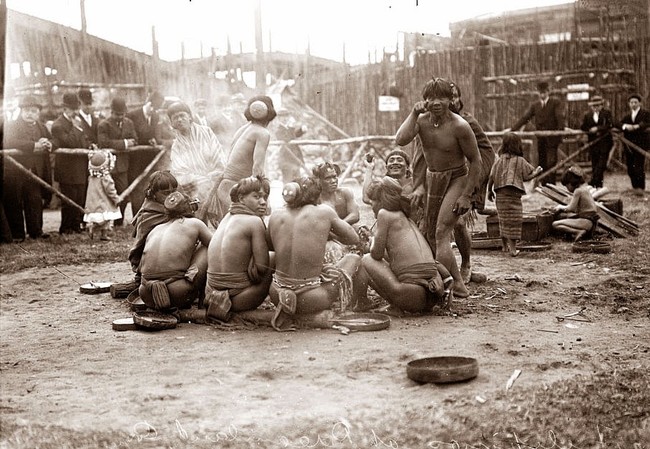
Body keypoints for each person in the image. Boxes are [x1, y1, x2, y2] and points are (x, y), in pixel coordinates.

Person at [395, 78, 481, 299]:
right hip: (433, 178)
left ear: (451, 100)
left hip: (456, 178)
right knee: (432, 235)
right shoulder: (422, 121)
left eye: (442, 97)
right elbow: (400, 139)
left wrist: (466, 195)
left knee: (441, 232)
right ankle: (458, 285)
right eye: (431, 98)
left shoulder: (460, 126)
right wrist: (413, 114)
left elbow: (476, 160)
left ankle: (450, 286)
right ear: (424, 100)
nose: (436, 102)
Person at [267, 176, 361, 331]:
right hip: (310, 298)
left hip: (277, 294)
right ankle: (354, 305)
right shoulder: (325, 212)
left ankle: (288, 311)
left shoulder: (276, 214)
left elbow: (270, 245)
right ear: (316, 194)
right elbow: (353, 238)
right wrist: (328, 233)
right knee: (353, 258)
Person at [352, 177, 453, 313]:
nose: (372, 207)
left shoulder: (384, 214)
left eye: (373, 202)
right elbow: (395, 258)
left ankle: (365, 302)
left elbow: (376, 255)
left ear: (381, 201)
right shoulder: (406, 218)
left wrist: (371, 242)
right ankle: (389, 304)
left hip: (411, 297)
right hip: (431, 297)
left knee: (364, 260)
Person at [204, 175, 273, 322]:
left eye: (265, 198)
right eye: (256, 196)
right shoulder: (254, 221)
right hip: (237, 299)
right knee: (273, 257)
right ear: (241, 199)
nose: (263, 202)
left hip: (210, 295)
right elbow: (262, 267)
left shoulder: (226, 218)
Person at [448, 82, 496, 283]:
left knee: (458, 223)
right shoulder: (433, 123)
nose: (451, 101)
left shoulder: (467, 121)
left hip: (469, 174)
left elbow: (487, 152)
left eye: (455, 96)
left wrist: (475, 182)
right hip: (446, 175)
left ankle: (466, 263)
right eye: (447, 96)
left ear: (460, 99)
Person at [138, 191, 213, 311]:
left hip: (146, 293)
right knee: (208, 247)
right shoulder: (195, 223)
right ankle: (203, 302)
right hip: (177, 293)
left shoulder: (156, 229)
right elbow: (216, 246)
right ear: (190, 207)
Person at [212, 96, 277, 223]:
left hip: (227, 187)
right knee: (253, 225)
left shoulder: (243, 128)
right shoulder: (262, 133)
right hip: (237, 190)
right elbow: (257, 169)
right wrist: (265, 199)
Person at [3, 95, 54, 241]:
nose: (29, 113)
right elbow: (9, 141)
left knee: (35, 200)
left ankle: (36, 231)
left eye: (33, 111)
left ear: (38, 113)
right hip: (15, 171)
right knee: (14, 202)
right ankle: (17, 234)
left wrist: (48, 143)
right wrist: (33, 146)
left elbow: (53, 139)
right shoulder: (12, 125)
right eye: (26, 110)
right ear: (21, 111)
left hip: (35, 171)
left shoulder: (42, 127)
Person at [486, 133, 543, 256]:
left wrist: (489, 191)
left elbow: (491, 176)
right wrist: (536, 173)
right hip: (513, 196)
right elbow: (527, 177)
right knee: (514, 221)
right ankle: (513, 249)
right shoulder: (520, 161)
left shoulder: (499, 160)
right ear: (518, 145)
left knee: (503, 220)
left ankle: (504, 246)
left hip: (500, 195)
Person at [168, 101, 226, 208]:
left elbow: (218, 157)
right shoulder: (176, 146)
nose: (179, 120)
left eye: (182, 115)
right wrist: (203, 180)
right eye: (175, 118)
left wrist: (214, 176)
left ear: (190, 117)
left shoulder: (206, 132)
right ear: (172, 123)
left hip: (216, 182)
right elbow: (180, 173)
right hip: (195, 190)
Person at [508, 81, 567, 185]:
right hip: (541, 138)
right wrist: (513, 129)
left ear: (548, 92)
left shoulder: (555, 102)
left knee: (551, 161)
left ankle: (551, 184)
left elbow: (559, 117)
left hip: (552, 138)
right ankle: (544, 184)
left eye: (544, 92)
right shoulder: (535, 105)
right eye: (540, 93)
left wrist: (559, 131)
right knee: (542, 161)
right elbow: (525, 118)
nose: (542, 95)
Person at [51, 92, 90, 234]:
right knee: (69, 201)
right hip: (67, 170)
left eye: (76, 108)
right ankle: (66, 228)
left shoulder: (78, 122)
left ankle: (76, 226)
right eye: (72, 109)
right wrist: (76, 128)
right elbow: (71, 143)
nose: (75, 112)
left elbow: (84, 142)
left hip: (80, 168)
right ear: (64, 109)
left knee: (80, 197)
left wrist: (89, 145)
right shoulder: (58, 125)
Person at [127, 90, 170, 215]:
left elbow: (156, 135)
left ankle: (146, 213)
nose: (154, 110)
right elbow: (132, 136)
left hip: (150, 160)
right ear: (149, 103)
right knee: (136, 187)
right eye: (154, 107)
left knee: (148, 187)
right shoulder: (132, 115)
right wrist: (144, 140)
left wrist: (154, 141)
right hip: (135, 159)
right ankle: (136, 215)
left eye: (157, 109)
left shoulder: (155, 117)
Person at [97, 97, 138, 226]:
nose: (120, 117)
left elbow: (135, 139)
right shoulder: (103, 125)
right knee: (106, 195)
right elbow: (103, 142)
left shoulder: (129, 123)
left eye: (122, 114)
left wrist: (128, 142)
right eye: (117, 114)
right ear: (111, 112)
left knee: (124, 195)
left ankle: (118, 221)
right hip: (107, 166)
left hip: (123, 166)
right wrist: (125, 143)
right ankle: (105, 222)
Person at [552, 166, 600, 241]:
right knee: (567, 217)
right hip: (591, 223)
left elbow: (571, 208)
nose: (567, 188)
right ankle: (582, 232)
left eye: (567, 185)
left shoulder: (578, 191)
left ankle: (578, 231)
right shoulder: (585, 189)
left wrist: (560, 207)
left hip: (586, 222)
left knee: (555, 224)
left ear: (571, 182)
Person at [83, 149, 122, 241]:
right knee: (106, 218)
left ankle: (103, 234)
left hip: (93, 203)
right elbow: (110, 190)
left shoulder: (92, 177)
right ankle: (94, 227)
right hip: (103, 203)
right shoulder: (106, 178)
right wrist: (116, 199)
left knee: (104, 218)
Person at [617, 93, 649, 194]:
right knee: (630, 167)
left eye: (635, 102)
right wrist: (625, 126)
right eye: (631, 102)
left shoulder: (645, 113)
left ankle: (641, 188)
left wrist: (637, 126)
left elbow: (648, 122)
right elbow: (618, 123)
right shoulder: (627, 116)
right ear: (629, 104)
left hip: (641, 144)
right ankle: (635, 187)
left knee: (638, 166)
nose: (633, 104)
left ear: (640, 103)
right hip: (629, 145)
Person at [580, 95, 614, 189]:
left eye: (598, 105)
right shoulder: (588, 115)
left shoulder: (606, 113)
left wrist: (598, 128)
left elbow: (610, 124)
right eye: (594, 106)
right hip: (593, 143)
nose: (596, 108)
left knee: (601, 164)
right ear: (591, 106)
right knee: (595, 163)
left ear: (601, 105)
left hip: (605, 142)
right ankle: (597, 186)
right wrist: (590, 130)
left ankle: (592, 181)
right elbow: (583, 126)